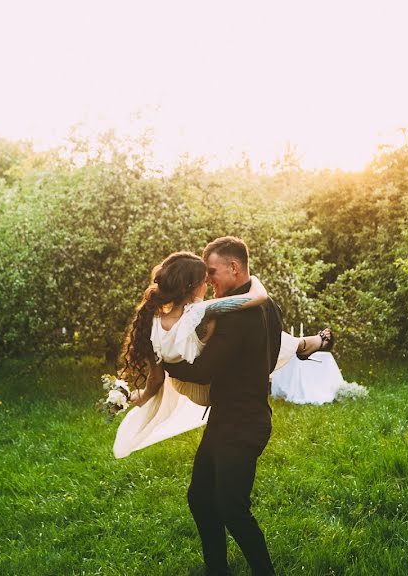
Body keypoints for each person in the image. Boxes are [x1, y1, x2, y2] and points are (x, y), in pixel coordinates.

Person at [113, 251, 332, 459]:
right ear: (193, 286)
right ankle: (305, 344)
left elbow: (156, 379)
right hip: (210, 387)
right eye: (204, 280)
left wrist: (136, 397)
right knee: (250, 326)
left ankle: (304, 344)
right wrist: (253, 277)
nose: (208, 284)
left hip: (185, 386)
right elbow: (259, 296)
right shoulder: (200, 312)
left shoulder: (151, 322)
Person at [162, 236, 283, 576]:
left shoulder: (235, 313)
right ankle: (217, 569)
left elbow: (202, 371)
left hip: (243, 423)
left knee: (231, 507)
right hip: (228, 418)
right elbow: (272, 352)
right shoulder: (265, 303)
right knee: (201, 499)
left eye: (212, 272)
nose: (207, 280)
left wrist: (162, 361)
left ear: (234, 267)